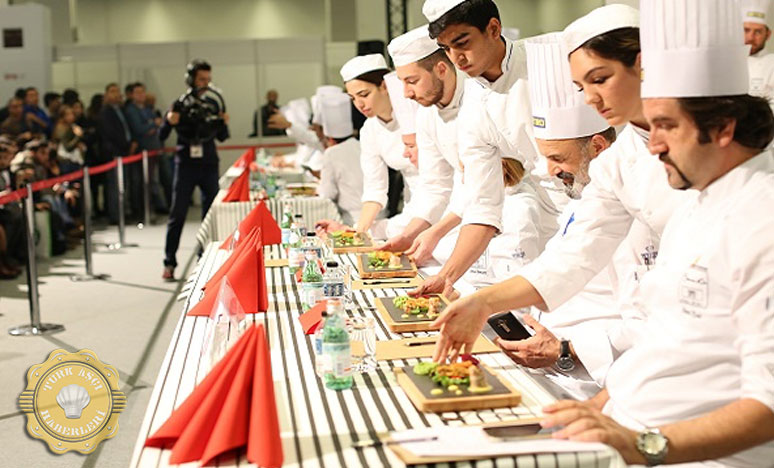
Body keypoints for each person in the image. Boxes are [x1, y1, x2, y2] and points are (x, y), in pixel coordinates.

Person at [542, 1, 774, 465]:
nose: (654, 144)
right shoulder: (695, 206)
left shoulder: (762, 219)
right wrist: (598, 408)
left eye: (666, 126)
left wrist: (644, 445)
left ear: (723, 127)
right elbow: (660, 337)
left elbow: (768, 405)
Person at [430, 4, 690, 362]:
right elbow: (577, 251)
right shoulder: (618, 159)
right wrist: (482, 301)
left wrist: (575, 351)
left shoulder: (707, 161)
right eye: (580, 86)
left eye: (598, 80)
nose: (590, 98)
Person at [414, 0, 557, 297]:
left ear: (493, 28)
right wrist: (446, 277)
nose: (457, 58)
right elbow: (482, 205)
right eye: (447, 49)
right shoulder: (474, 105)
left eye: (462, 43)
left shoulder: (546, 64)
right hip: (548, 215)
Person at [381, 25, 465, 264]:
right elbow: (435, 185)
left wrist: (435, 232)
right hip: (463, 218)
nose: (406, 93)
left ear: (441, 69)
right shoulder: (427, 115)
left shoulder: (477, 101)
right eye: (402, 83)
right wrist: (408, 235)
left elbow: (482, 187)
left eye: (412, 81)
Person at [317, 54, 421, 238]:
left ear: (384, 86)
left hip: (447, 201)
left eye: (364, 95)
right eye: (353, 98)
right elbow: (375, 188)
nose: (359, 104)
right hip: (413, 204)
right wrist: (359, 231)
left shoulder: (416, 113)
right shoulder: (369, 130)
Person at [161, 59, 230, 280]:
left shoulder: (213, 103)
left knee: (210, 215)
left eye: (208, 80)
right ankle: (169, 262)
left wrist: (222, 121)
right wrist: (170, 121)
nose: (205, 84)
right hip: (186, 165)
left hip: (208, 163)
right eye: (201, 79)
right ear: (190, 79)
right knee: (177, 213)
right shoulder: (179, 104)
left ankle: (205, 259)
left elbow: (222, 137)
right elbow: (161, 136)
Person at [316, 92, 363, 225]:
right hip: (382, 214)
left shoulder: (331, 153)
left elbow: (327, 194)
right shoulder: (361, 145)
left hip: (352, 220)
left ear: (329, 138)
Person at [124, 81, 168, 217]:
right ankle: (141, 211)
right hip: (141, 151)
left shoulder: (147, 108)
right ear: (131, 95)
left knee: (151, 182)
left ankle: (152, 208)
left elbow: (157, 124)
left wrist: (151, 125)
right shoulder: (131, 110)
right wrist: (151, 125)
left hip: (152, 150)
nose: (141, 95)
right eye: (137, 92)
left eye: (143, 92)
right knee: (141, 183)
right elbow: (139, 129)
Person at [98, 83, 133, 225]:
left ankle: (123, 213)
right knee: (114, 186)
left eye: (118, 91)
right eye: (112, 91)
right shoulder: (106, 112)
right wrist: (124, 146)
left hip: (126, 152)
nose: (116, 94)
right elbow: (110, 133)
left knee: (123, 185)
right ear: (106, 95)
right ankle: (115, 216)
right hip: (114, 152)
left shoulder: (122, 109)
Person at [742, 0, 774, 106]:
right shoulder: (727, 62)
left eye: (758, 32)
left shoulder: (771, 63)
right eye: (746, 30)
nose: (751, 37)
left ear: (768, 35)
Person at [51, 105, 86, 174]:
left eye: (72, 114)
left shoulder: (73, 127)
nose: (71, 116)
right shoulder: (60, 128)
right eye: (68, 114)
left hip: (75, 160)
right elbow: (68, 147)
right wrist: (78, 137)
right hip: (66, 161)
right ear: (62, 116)